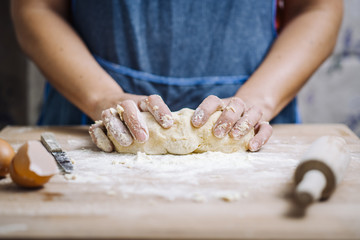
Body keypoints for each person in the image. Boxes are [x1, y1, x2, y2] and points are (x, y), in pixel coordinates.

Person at [11, 0, 342, 151]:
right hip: (88, 102)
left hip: (250, 117)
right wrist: (102, 97)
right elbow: (37, 7)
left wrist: (259, 99)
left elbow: (318, 8)